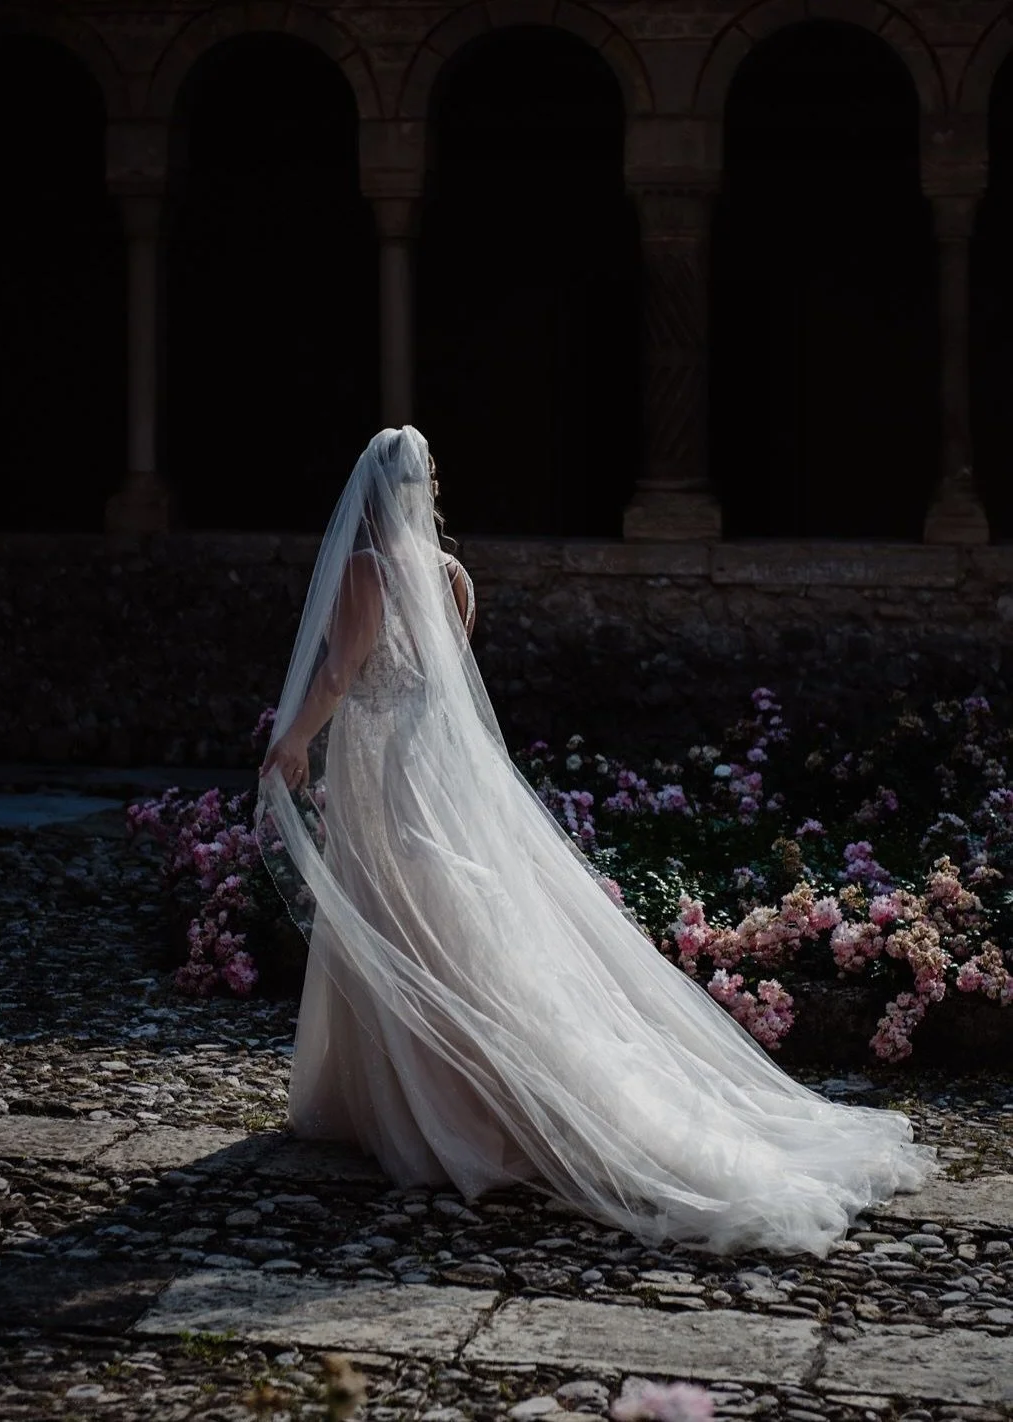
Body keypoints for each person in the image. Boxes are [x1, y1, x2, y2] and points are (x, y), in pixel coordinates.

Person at [256, 426, 936, 1257]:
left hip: (389, 770)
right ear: (424, 487)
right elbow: (443, 686)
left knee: (405, 919)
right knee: (442, 923)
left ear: (366, 491)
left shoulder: (367, 570)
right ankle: (427, 1098)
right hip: (433, 764)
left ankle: (448, 1112)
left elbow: (339, 675)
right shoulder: (453, 577)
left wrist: (293, 740)